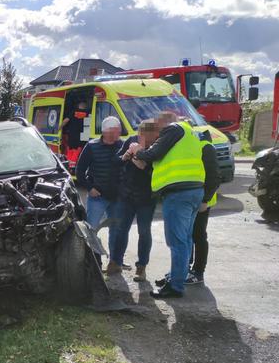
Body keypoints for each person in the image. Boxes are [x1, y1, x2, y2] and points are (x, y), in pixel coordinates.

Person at [128, 112, 218, 297]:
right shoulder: (190, 135)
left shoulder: (174, 129)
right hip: (192, 192)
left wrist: (137, 150)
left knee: (177, 242)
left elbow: (153, 153)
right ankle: (177, 277)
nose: (157, 132)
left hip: (179, 195)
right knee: (185, 240)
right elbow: (166, 160)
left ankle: (176, 286)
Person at [109, 119, 160, 280]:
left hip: (146, 198)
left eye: (147, 137)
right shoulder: (131, 141)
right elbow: (115, 162)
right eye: (140, 136)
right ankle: (115, 262)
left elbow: (160, 174)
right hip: (126, 196)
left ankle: (141, 267)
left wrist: (144, 167)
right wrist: (124, 157)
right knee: (120, 229)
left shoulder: (159, 146)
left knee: (144, 232)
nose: (142, 140)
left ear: (154, 136)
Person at [75, 115, 124, 271]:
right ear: (106, 132)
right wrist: (90, 188)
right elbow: (79, 171)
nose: (119, 134)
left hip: (117, 197)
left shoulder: (122, 145)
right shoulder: (92, 146)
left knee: (116, 230)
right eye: (116, 131)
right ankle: (95, 263)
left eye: (119, 131)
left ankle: (115, 262)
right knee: (92, 230)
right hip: (97, 197)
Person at [186, 131, 220, 285]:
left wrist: (205, 200)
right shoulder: (191, 146)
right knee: (187, 235)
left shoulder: (205, 146)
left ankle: (198, 272)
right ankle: (186, 268)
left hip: (202, 202)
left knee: (198, 235)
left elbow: (213, 177)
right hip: (191, 199)